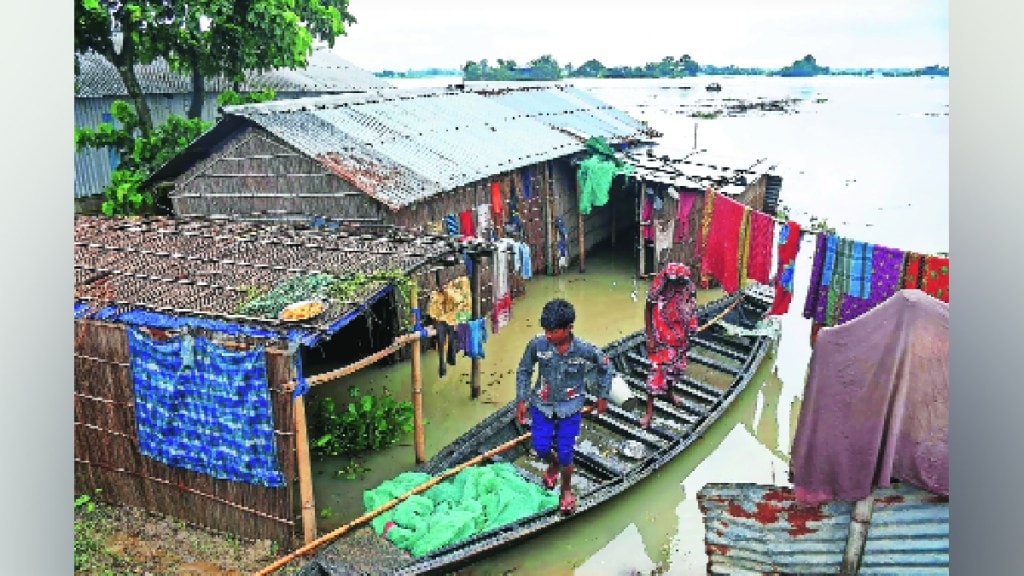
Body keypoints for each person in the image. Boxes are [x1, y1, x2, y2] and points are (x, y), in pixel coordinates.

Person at [516, 298, 612, 514]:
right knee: (541, 448)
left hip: (570, 406)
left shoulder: (584, 350)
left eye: (553, 331)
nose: (548, 335)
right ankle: (553, 464)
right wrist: (521, 400)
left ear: (568, 329)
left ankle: (566, 490)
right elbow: (524, 370)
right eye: (546, 330)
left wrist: (602, 396)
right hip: (542, 404)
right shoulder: (537, 345)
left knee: (566, 453)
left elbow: (606, 366)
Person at [641, 263, 698, 429]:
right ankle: (649, 412)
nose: (680, 286)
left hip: (680, 335)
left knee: (676, 368)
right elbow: (648, 309)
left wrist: (693, 327)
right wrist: (649, 335)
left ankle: (670, 393)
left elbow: (692, 308)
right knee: (656, 371)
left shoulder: (689, 286)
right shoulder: (658, 286)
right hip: (660, 334)